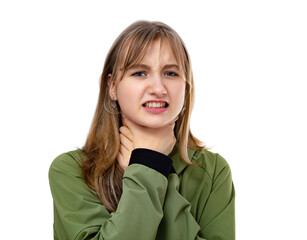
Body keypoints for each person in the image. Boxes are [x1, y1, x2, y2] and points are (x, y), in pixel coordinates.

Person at [49, 20, 235, 240]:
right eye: (139, 73)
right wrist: (148, 165)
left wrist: (148, 165)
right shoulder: (71, 170)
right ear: (113, 87)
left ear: (186, 86)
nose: (158, 88)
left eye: (171, 73)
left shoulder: (213, 171)